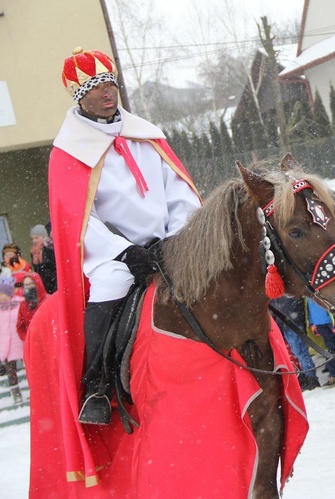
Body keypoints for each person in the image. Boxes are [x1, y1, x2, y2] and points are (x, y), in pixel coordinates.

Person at [48, 48, 201, 426]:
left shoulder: (145, 135)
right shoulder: (68, 152)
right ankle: (96, 386)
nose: (107, 92)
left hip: (169, 243)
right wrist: (125, 252)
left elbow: (178, 191)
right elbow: (79, 220)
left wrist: (177, 238)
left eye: (110, 83)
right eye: (97, 87)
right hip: (112, 254)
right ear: (79, 96)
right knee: (112, 284)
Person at [272, 295, 320, 391]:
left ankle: (311, 378)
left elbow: (292, 308)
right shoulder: (280, 296)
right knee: (298, 354)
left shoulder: (287, 295)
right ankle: (308, 377)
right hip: (287, 325)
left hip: (292, 325)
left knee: (301, 353)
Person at [305, 297, 335, 387]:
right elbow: (309, 308)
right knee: (329, 348)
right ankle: (334, 373)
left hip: (330, 320)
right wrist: (312, 322)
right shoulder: (307, 292)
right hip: (319, 322)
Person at [0, 273, 24, 405]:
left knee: (28, 366)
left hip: (19, 341)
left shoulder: (19, 303)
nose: (1, 297)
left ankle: (34, 388)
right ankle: (16, 393)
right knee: (11, 371)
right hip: (4, 345)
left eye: (2, 293)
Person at [16, 272, 49, 343]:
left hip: (48, 341)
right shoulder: (23, 305)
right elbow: (20, 327)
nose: (28, 287)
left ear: (37, 284)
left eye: (31, 284)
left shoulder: (48, 300)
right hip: (32, 344)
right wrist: (28, 339)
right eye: (26, 285)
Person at [29, 224, 57, 294]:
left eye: (36, 238)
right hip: (43, 283)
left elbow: (53, 266)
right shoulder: (33, 251)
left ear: (44, 237)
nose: (34, 241)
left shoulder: (49, 248)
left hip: (54, 282)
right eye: (32, 238)